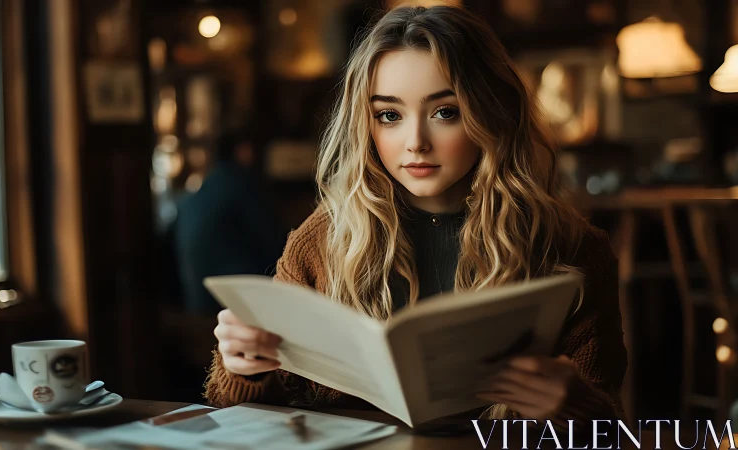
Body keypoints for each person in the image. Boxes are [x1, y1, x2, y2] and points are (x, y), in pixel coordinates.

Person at [204, 5, 627, 423]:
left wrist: (573, 405)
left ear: (492, 112)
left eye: (445, 112)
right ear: (365, 124)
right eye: (389, 115)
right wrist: (244, 368)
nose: (415, 142)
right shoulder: (321, 242)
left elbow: (607, 429)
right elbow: (244, 416)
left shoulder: (573, 250)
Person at [172, 132, 286, 315]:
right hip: (230, 303)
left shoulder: (205, 187)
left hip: (197, 300)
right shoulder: (240, 184)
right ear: (243, 151)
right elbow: (274, 244)